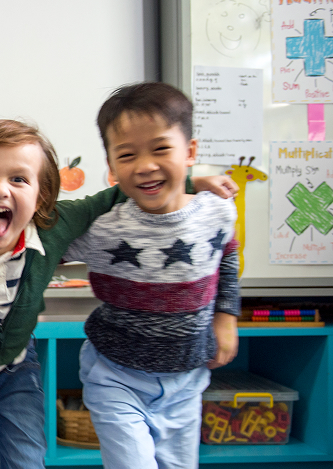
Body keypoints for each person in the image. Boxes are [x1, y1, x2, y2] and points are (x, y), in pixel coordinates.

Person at [0, 119, 237, 469]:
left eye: (19, 179)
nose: (1, 189)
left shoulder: (54, 226)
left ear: (41, 197)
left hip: (16, 370)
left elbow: (116, 194)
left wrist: (189, 182)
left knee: (26, 461)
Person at [63, 82, 239, 469]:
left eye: (160, 149)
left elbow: (226, 255)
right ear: (112, 167)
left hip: (187, 380)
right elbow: (40, 244)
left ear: (189, 152)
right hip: (115, 377)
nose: (145, 166)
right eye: (127, 155)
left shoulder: (218, 211)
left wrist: (226, 317)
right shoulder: (103, 229)